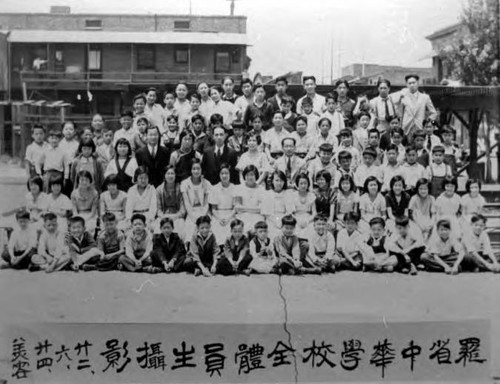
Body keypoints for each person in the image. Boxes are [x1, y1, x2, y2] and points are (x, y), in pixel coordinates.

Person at [392, 74, 437, 140]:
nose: (412, 85)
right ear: (406, 85)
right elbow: (398, 112)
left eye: (414, 83)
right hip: (406, 127)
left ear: (418, 83)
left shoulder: (425, 97)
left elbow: (434, 113)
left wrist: (429, 122)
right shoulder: (403, 97)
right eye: (409, 83)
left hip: (420, 126)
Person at [181, 158, 211, 242]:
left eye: (198, 168)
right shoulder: (185, 183)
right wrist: (193, 217)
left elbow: (206, 203)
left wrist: (202, 216)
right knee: (189, 229)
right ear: (190, 170)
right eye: (194, 169)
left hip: (204, 213)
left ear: (201, 170)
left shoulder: (206, 183)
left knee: (207, 228)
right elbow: (186, 203)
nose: (196, 171)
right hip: (191, 213)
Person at [209, 164, 237, 245]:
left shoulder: (234, 188)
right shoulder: (214, 188)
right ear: (219, 175)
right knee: (216, 229)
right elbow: (213, 209)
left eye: (226, 173)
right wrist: (220, 218)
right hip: (218, 215)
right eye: (222, 173)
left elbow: (235, 208)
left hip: (230, 214)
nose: (224, 176)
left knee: (231, 229)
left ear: (230, 174)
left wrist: (228, 218)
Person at [155, 166, 186, 238]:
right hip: (163, 216)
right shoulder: (159, 189)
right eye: (168, 173)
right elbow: (158, 209)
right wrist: (163, 217)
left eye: (172, 173)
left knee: (181, 229)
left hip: (177, 216)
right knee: (158, 229)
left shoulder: (180, 188)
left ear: (175, 175)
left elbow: (183, 209)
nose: (170, 176)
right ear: (164, 176)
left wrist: (175, 216)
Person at [234, 165, 266, 233]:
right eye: (247, 175)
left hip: (257, 217)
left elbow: (261, 209)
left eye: (252, 175)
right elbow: (237, 208)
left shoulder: (261, 189)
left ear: (256, 176)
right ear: (244, 176)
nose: (249, 177)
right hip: (242, 216)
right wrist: (254, 209)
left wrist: (244, 208)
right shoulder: (239, 188)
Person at [263, 171, 294, 239]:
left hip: (285, 219)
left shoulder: (287, 193)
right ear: (272, 181)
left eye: (281, 180)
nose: (279, 183)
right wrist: (276, 221)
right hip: (271, 220)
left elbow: (289, 211)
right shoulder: (267, 194)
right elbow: (267, 213)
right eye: (277, 180)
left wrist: (282, 222)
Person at [71, 171, 99, 235]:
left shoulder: (94, 193)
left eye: (86, 180)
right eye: (82, 180)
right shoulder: (74, 193)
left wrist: (85, 219)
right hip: (78, 214)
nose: (84, 182)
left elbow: (93, 212)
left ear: (90, 181)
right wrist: (79, 218)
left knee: (89, 227)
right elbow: (74, 211)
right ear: (78, 181)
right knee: (76, 227)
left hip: (90, 215)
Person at [291, 173, 317, 238]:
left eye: (305, 183)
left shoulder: (312, 195)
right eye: (301, 183)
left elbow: (314, 213)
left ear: (308, 184)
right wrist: (297, 221)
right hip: (296, 219)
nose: (303, 186)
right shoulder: (292, 195)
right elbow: (291, 212)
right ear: (297, 184)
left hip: (308, 219)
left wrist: (307, 221)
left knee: (311, 231)